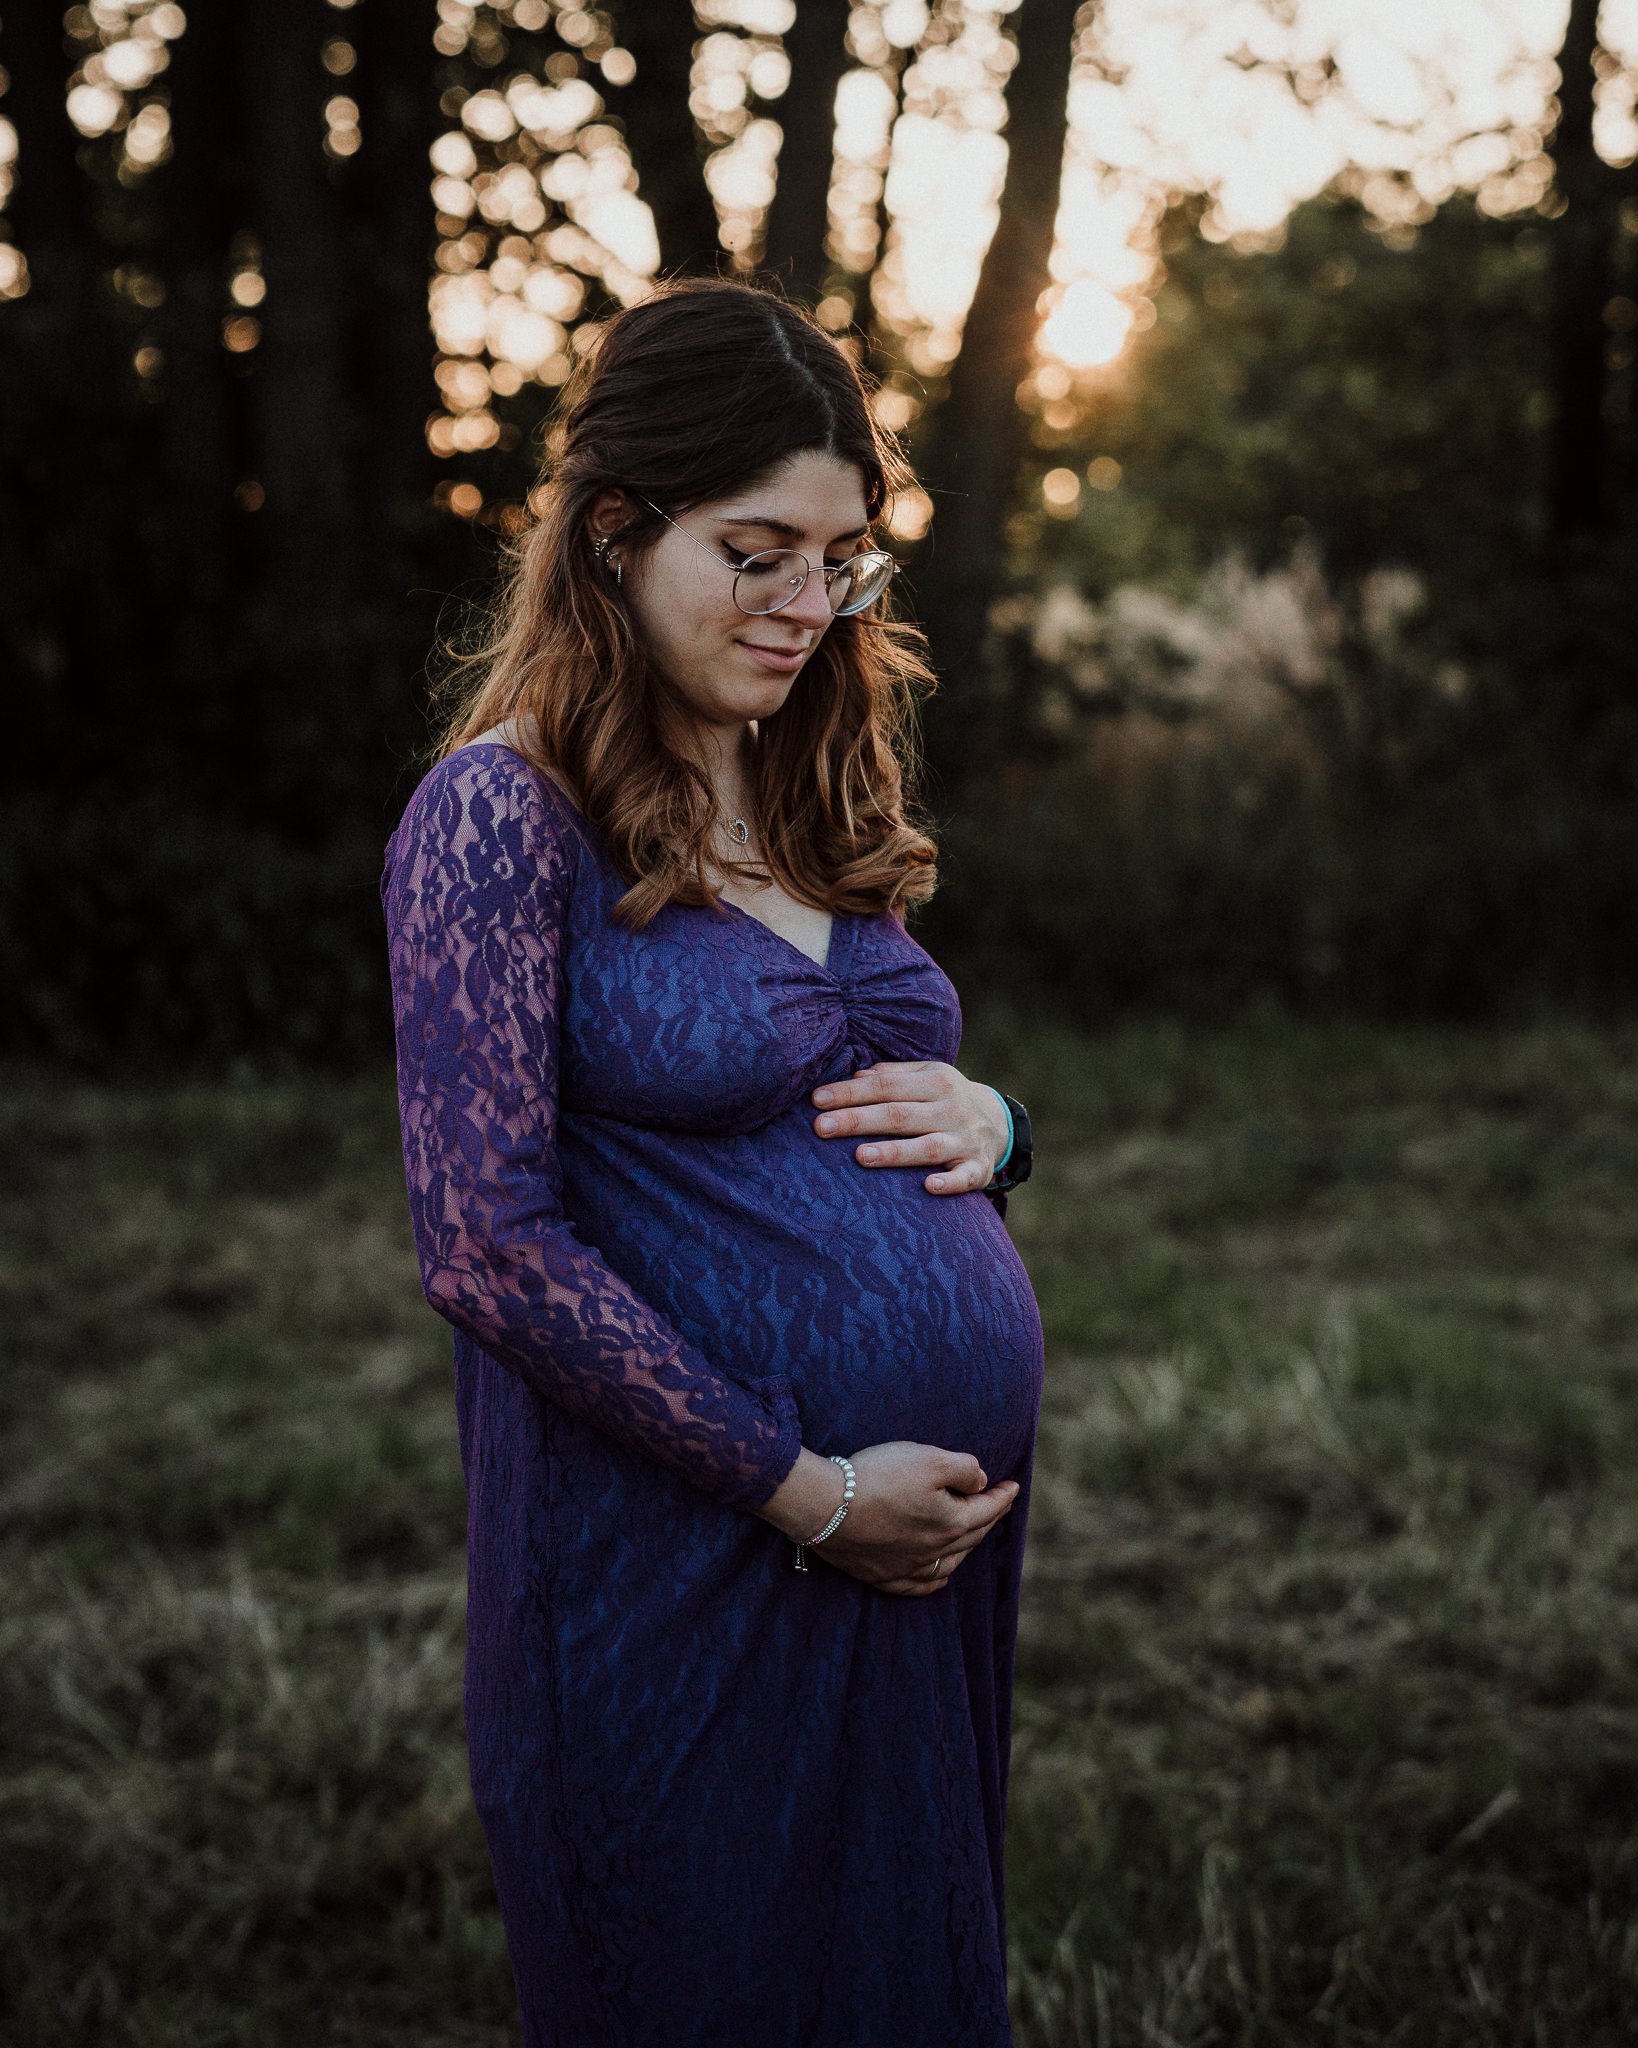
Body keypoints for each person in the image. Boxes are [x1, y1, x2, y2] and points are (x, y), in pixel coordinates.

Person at [380, 277, 1045, 2048]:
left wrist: (1000, 1126)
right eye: (754, 556)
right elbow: (484, 1243)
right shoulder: (498, 818)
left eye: (839, 560)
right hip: (683, 1555)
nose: (806, 607)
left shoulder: (806, 774)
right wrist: (805, 1491)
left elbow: (875, 1082)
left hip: (915, 1553)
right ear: (615, 533)